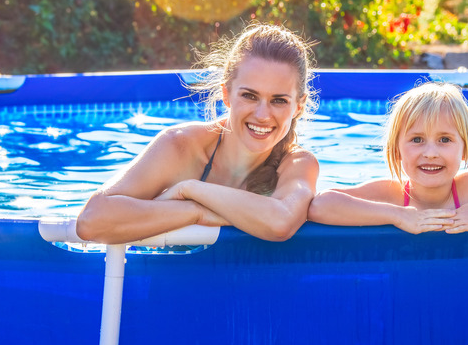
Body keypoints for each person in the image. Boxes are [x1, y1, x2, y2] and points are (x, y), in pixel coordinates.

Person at [77, 23, 319, 244]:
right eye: (249, 96)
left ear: (298, 106)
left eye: (278, 100)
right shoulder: (180, 146)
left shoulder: (297, 164)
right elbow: (91, 221)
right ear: (226, 94)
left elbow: (280, 223)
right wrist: (196, 211)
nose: (263, 115)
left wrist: (191, 190)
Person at [307, 81, 468, 234]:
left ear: (464, 148)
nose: (430, 153)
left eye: (445, 140)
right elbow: (320, 205)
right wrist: (398, 216)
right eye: (417, 140)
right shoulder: (392, 195)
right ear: (397, 149)